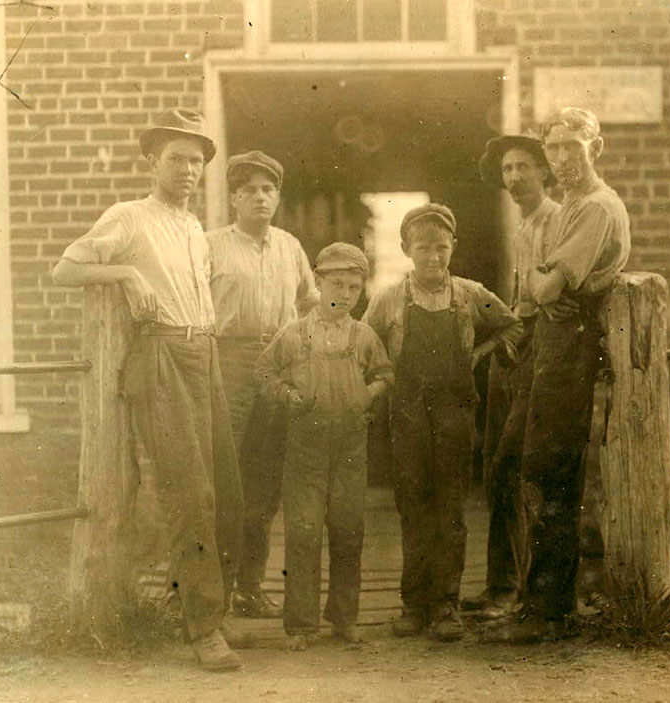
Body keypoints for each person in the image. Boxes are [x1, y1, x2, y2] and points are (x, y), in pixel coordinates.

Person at [51, 109, 244, 671]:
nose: (187, 170)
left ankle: (198, 602)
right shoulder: (129, 217)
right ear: (151, 162)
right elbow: (64, 269)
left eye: (195, 161)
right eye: (175, 159)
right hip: (159, 355)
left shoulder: (191, 228)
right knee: (191, 493)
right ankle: (205, 628)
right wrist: (126, 275)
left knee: (225, 489)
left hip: (203, 351)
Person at [488, 106, 631, 643]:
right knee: (513, 463)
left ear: (596, 147)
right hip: (547, 342)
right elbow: (536, 291)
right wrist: (544, 288)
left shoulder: (597, 207)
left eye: (573, 146)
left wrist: (550, 286)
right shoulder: (567, 204)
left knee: (551, 470)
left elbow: (546, 289)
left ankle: (551, 610)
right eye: (553, 149)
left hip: (573, 346)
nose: (562, 159)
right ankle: (533, 598)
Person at [363, 204, 522, 641]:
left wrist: (478, 356)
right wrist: (378, 381)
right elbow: (363, 343)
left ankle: (447, 606)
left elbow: (512, 326)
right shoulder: (390, 298)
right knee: (413, 505)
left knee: (451, 507)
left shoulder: (472, 295)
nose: (432, 257)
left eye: (441, 248)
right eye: (422, 248)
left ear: (454, 247)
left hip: (455, 412)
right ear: (406, 250)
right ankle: (414, 605)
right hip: (407, 412)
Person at [256, 242, 393, 651]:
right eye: (337, 284)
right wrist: (285, 395)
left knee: (349, 528)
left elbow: (385, 374)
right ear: (318, 282)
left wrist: (367, 395)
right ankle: (300, 624)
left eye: (354, 287)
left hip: (350, 445)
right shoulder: (294, 334)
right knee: (303, 530)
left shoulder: (364, 336)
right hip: (306, 448)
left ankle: (344, 618)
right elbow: (263, 372)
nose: (346, 293)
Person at [206, 150, 320, 619]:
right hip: (227, 362)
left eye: (267, 189)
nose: (259, 197)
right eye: (249, 189)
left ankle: (250, 588)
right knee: (224, 481)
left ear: (277, 196)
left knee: (266, 482)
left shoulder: (291, 247)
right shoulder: (210, 245)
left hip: (277, 361)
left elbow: (312, 301)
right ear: (233, 196)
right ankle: (215, 593)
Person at [461, 133, 561, 621]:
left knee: (514, 465)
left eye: (524, 167)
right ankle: (503, 585)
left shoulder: (557, 221)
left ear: (544, 171)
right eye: (507, 170)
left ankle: (519, 591)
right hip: (517, 346)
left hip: (544, 348)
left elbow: (555, 297)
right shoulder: (522, 227)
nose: (515, 177)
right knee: (495, 467)